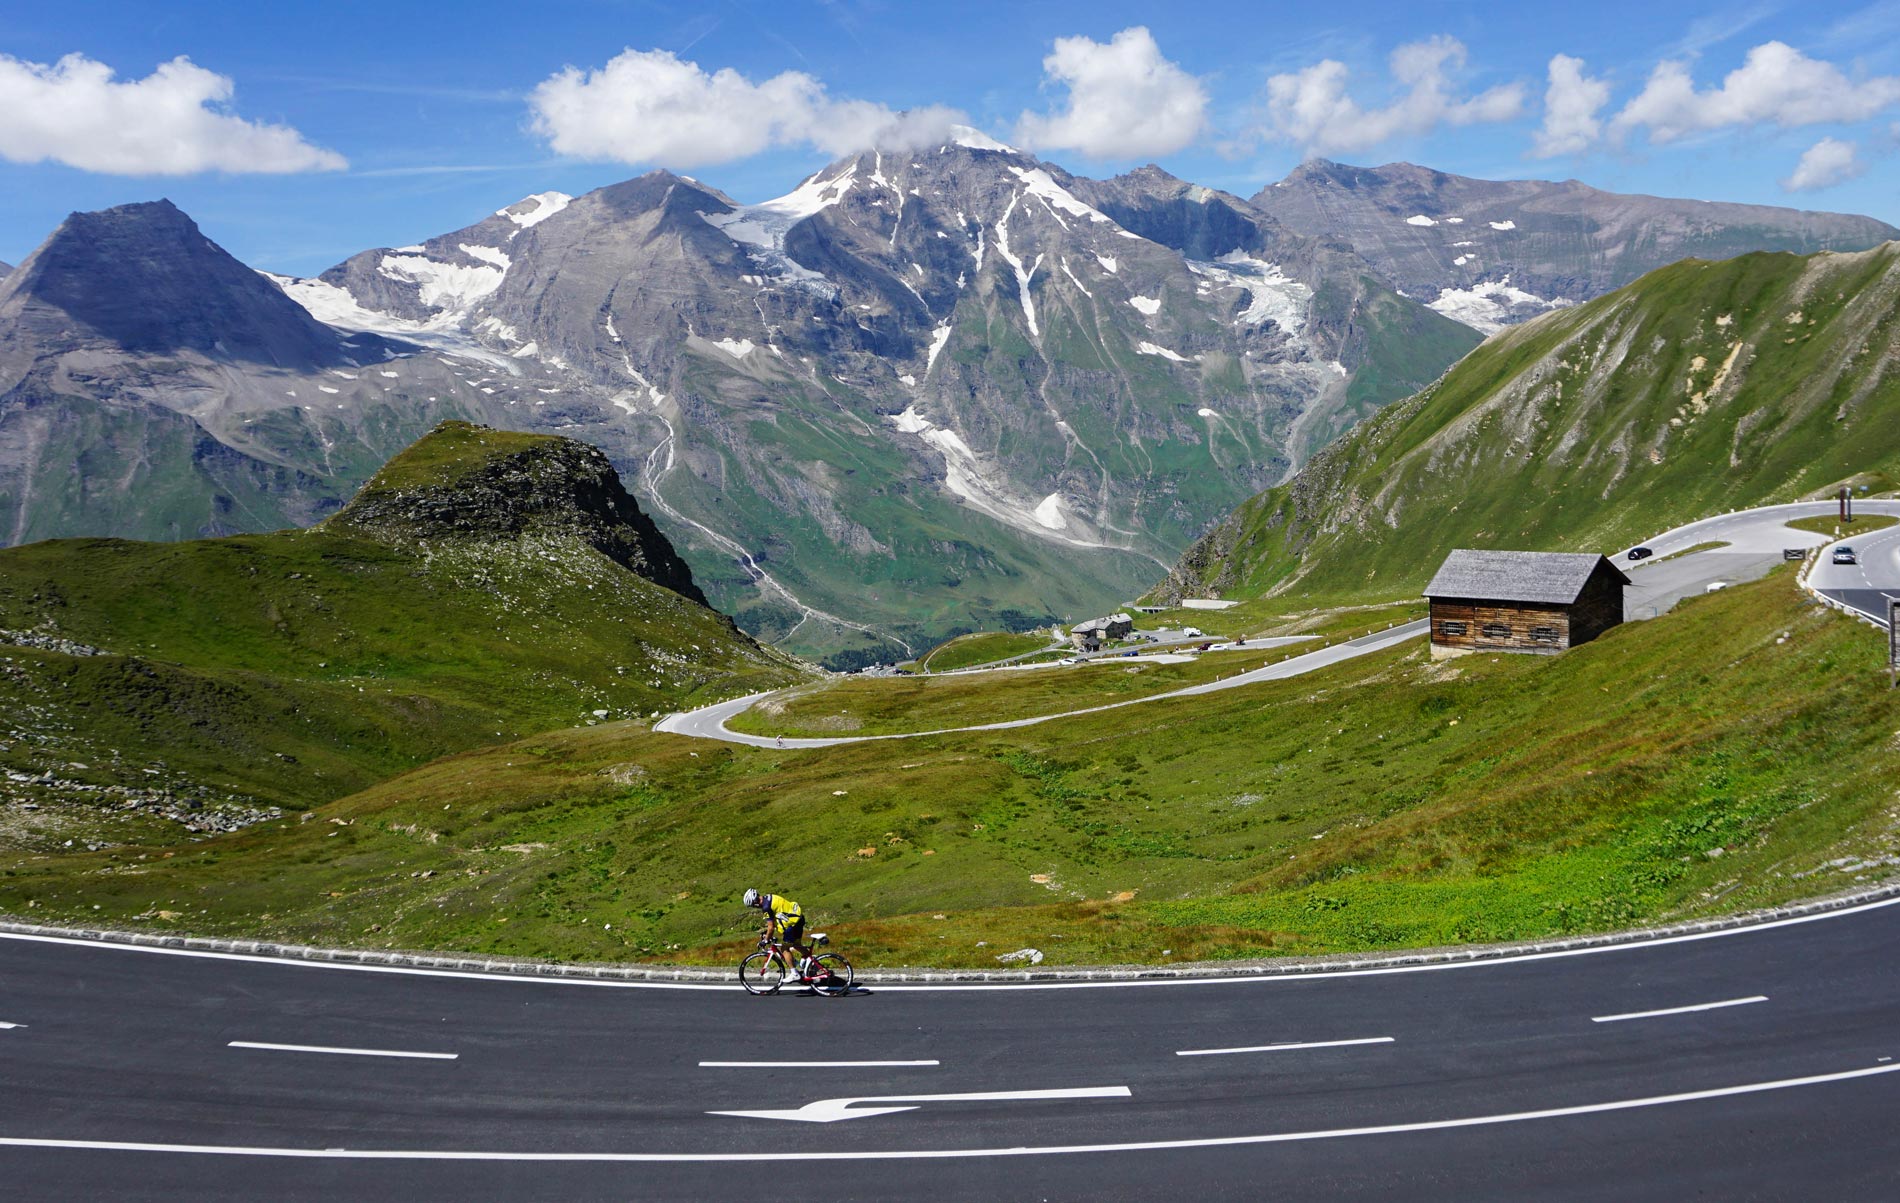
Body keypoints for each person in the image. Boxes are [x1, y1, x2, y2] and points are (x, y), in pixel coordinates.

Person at [743, 887, 814, 978]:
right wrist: (767, 933)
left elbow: (771, 927)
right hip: (798, 919)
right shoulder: (769, 897)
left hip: (792, 925)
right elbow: (777, 916)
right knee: (796, 944)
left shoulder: (766, 907)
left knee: (784, 949)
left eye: (753, 905)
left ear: (755, 902)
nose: (754, 907)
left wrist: (765, 940)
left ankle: (794, 973)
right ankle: (811, 961)